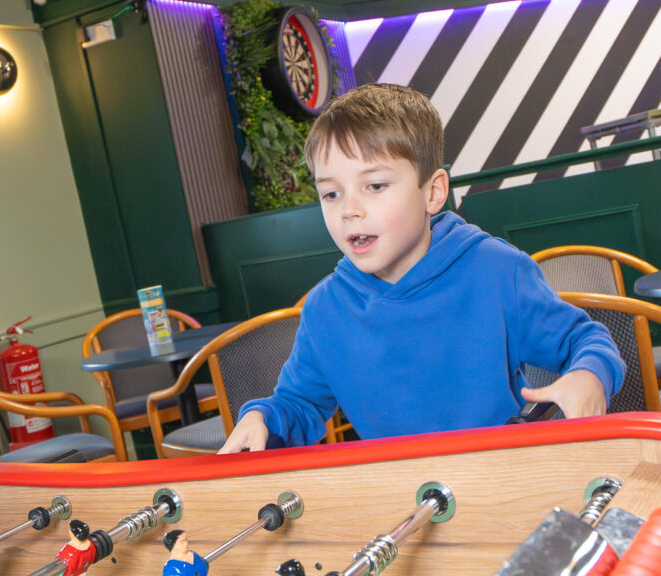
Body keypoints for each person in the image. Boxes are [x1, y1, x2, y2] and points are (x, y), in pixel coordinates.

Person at [217, 83, 624, 454]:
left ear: (433, 192)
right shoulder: (325, 309)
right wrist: (263, 418)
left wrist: (589, 376)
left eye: (375, 186)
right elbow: (300, 404)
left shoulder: (498, 272)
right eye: (331, 193)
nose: (349, 210)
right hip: (402, 498)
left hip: (505, 476)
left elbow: (588, 342)